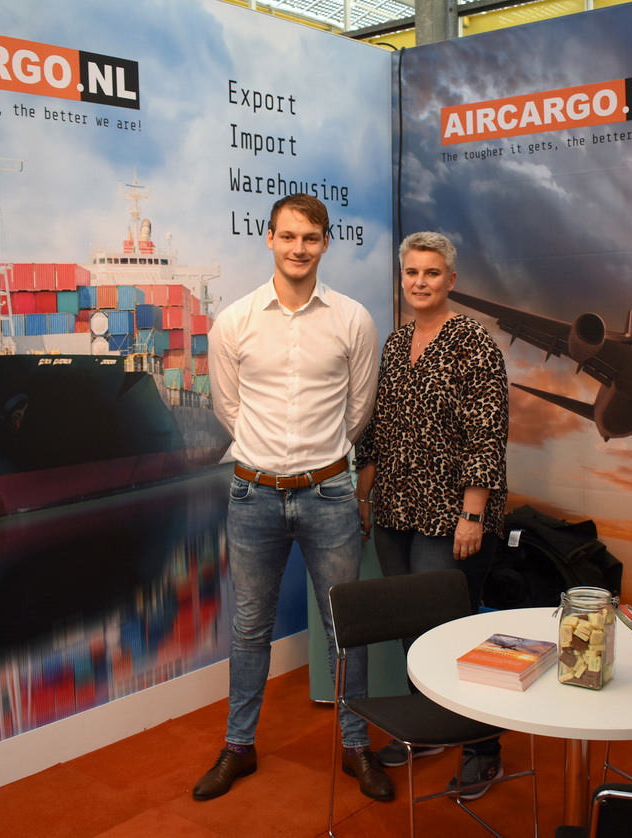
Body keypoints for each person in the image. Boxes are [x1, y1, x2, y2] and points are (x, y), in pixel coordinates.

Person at [192, 194, 390, 803]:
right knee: (250, 626)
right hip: (253, 494)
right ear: (270, 239)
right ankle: (238, 746)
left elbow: (358, 411)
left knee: (344, 628)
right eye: (288, 236)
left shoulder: (353, 320)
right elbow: (229, 408)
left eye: (310, 237)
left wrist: (319, 457)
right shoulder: (235, 322)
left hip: (329, 494)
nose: (298, 248)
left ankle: (356, 746)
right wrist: (270, 457)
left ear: (326, 242)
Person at [354, 230, 509, 800]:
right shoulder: (396, 344)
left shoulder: (474, 343)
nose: (420, 282)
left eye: (432, 272)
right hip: (395, 508)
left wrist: (473, 513)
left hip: (451, 513)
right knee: (412, 627)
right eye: (412, 272)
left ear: (451, 279)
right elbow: (378, 428)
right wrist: (364, 497)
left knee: (453, 631)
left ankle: (482, 750)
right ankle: (429, 728)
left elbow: (488, 434)